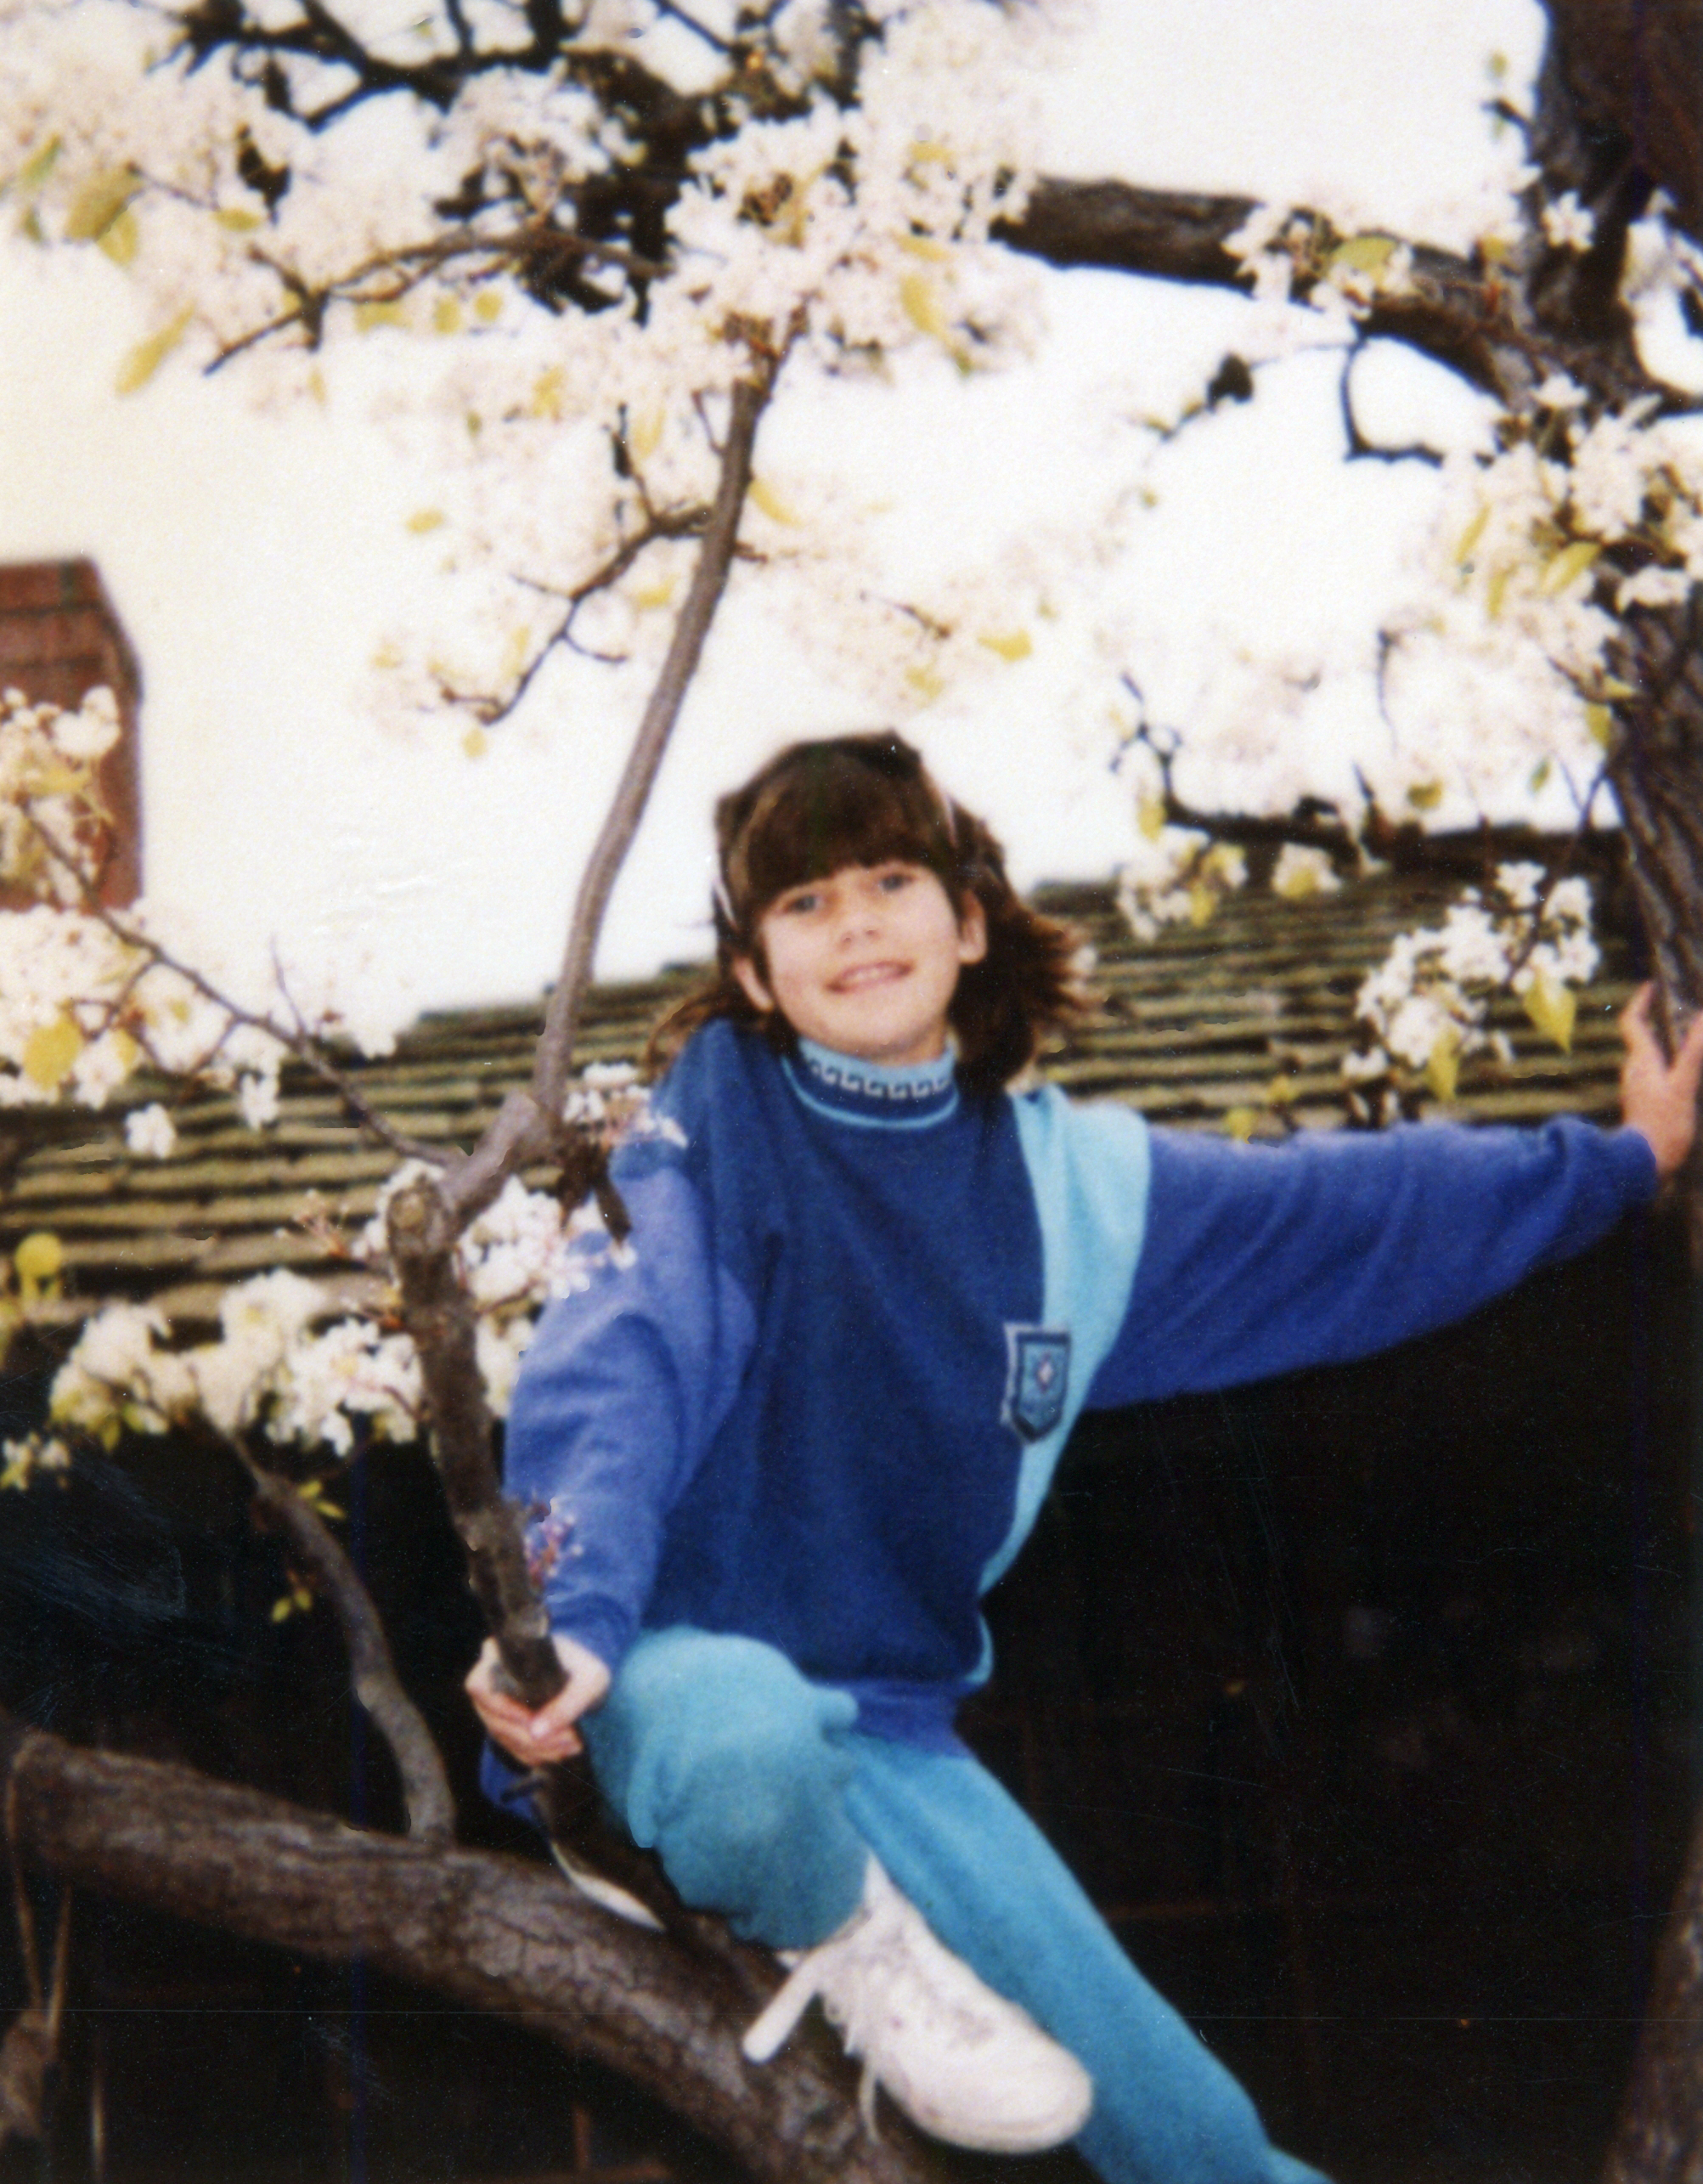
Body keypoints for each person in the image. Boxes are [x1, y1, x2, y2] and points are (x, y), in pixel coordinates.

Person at [469, 731, 1703, 2183]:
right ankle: (845, 1938)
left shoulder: (1072, 1194)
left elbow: (1345, 1211)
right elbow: (620, 1351)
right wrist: (572, 1613)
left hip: (889, 1729)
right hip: (660, 1677)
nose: (854, 923)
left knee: (1198, 2140)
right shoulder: (713, 1119)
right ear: (753, 974)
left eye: (889, 880)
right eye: (803, 903)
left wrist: (1621, 1165)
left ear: (968, 922)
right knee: (747, 1745)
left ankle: (870, 1923)